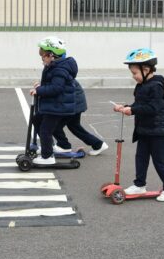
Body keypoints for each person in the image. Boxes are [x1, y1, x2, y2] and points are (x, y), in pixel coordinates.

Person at [112, 48, 164, 202]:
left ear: (146, 70)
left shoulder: (156, 87)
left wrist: (133, 110)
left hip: (158, 132)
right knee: (140, 158)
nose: (133, 76)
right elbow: (139, 105)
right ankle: (139, 184)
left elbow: (153, 108)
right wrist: (126, 107)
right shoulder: (142, 86)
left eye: (135, 73)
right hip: (144, 130)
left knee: (159, 162)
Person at [29, 36, 77, 166]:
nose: (42, 58)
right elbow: (52, 83)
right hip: (54, 104)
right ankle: (47, 147)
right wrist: (42, 85)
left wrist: (40, 91)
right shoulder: (54, 66)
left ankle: (47, 156)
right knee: (37, 120)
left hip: (58, 105)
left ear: (51, 55)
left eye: (43, 56)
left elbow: (57, 88)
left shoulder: (59, 69)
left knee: (45, 130)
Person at [53, 79, 109, 156]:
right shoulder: (58, 68)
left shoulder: (57, 68)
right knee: (74, 126)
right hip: (74, 102)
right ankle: (98, 144)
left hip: (71, 103)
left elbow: (56, 87)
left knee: (54, 125)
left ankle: (64, 146)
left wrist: (41, 89)